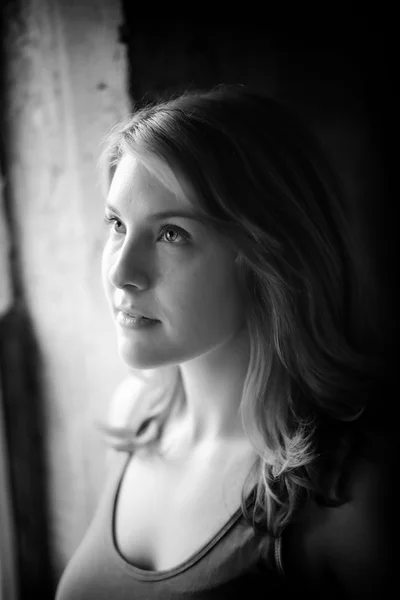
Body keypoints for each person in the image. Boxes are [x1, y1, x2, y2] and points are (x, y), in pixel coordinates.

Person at [55, 84, 393, 599]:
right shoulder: (135, 418)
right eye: (117, 224)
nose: (123, 272)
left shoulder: (350, 496)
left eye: (172, 234)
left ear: (270, 258)